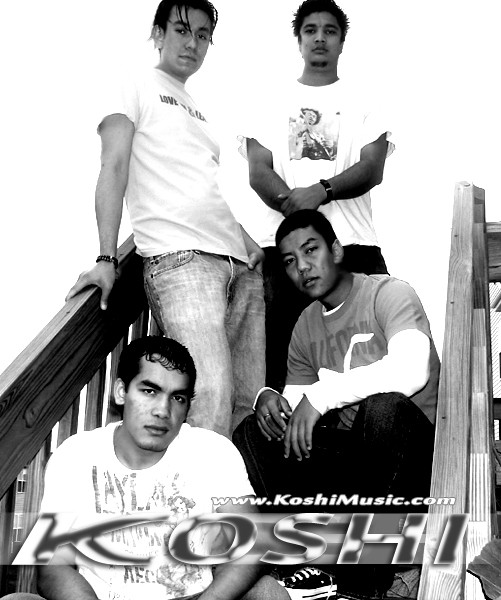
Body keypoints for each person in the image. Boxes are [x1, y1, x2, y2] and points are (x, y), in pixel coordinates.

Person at [65, 0, 265, 438]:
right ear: (158, 33)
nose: (193, 43)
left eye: (203, 35)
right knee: (208, 394)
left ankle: (234, 485)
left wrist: (248, 243)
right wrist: (105, 257)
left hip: (238, 266)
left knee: (245, 404)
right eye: (182, 30)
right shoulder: (133, 84)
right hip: (181, 262)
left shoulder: (200, 110)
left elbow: (204, 190)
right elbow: (113, 166)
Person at [233, 210, 439, 599]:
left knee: (383, 409)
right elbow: (297, 417)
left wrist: (322, 395)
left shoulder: (389, 293)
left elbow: (413, 370)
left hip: (411, 464)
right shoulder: (305, 325)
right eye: (289, 261)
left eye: (310, 250)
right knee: (252, 433)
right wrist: (268, 402)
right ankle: (303, 562)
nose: (301, 267)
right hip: (355, 471)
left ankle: (361, 579)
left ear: (337, 250)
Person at [8, 336, 282, 600]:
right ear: (121, 392)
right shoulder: (75, 455)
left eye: (178, 398)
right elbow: (53, 565)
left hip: (196, 596)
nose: (163, 410)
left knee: (267, 592)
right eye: (150, 391)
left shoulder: (213, 451)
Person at [240, 0, 394, 391]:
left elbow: (372, 168)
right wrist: (294, 211)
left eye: (330, 30)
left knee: (374, 358)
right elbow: (259, 171)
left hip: (354, 246)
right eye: (310, 30)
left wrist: (321, 191)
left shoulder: (366, 99)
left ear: (342, 41)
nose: (320, 38)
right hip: (284, 253)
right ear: (299, 40)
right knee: (281, 365)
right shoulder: (266, 99)